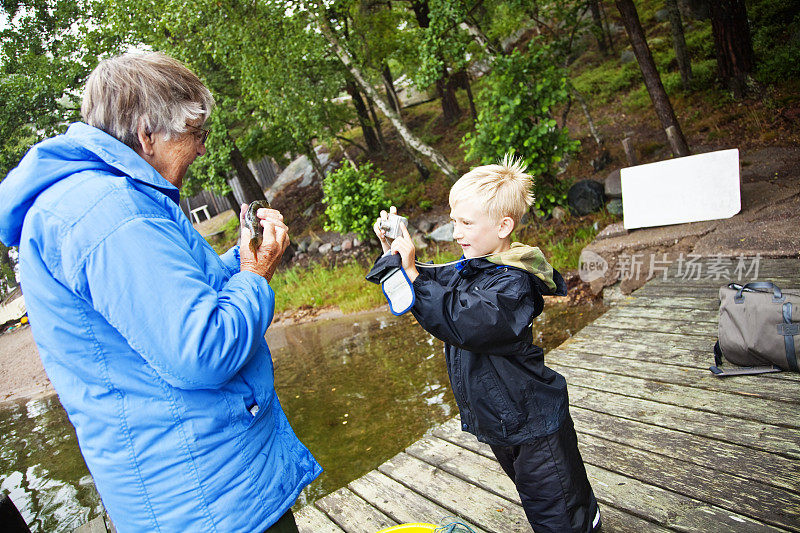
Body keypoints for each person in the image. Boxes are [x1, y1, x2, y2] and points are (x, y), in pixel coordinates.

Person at [0, 52, 321, 532]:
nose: (203, 150)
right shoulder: (108, 212)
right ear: (147, 133)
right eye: (197, 134)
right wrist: (256, 276)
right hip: (208, 500)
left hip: (196, 486)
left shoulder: (103, 198)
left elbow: (177, 296)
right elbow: (202, 349)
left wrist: (242, 257)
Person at [371, 155, 601, 532]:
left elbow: (464, 321)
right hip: (503, 421)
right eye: (454, 221)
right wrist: (392, 255)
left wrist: (413, 271)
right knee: (539, 499)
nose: (456, 231)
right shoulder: (469, 268)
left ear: (503, 225)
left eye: (466, 223)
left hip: (533, 421)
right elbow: (425, 300)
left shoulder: (514, 282)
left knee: (559, 511)